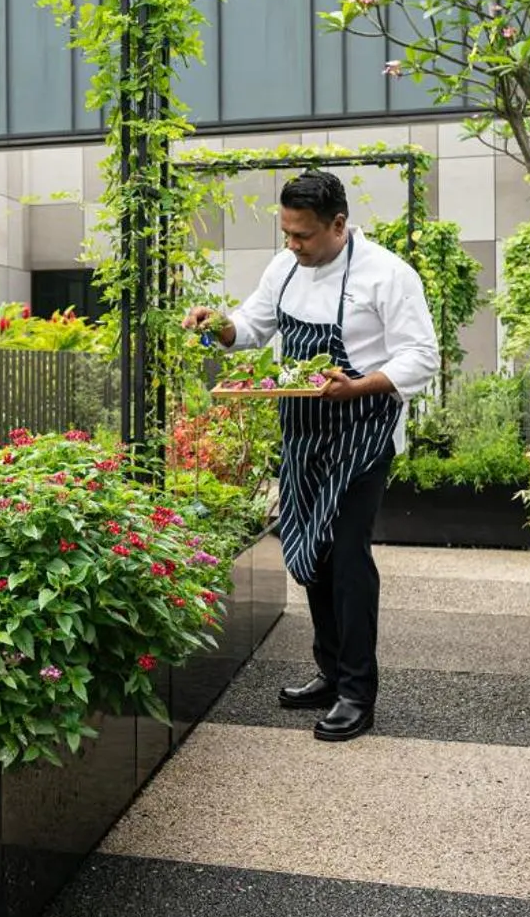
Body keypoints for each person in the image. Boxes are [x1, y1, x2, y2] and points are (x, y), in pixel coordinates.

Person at [183, 170, 439, 743]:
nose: (292, 246)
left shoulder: (388, 275)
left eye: (302, 236)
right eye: (287, 234)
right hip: (302, 432)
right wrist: (217, 325)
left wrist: (357, 384)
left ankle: (356, 692)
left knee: (347, 557)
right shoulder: (285, 268)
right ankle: (329, 672)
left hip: (362, 436)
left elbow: (421, 357)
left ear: (339, 225)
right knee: (312, 553)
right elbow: (250, 328)